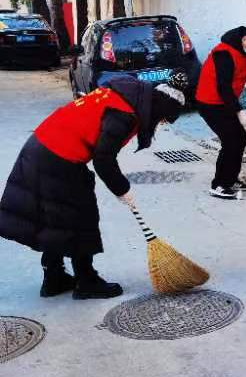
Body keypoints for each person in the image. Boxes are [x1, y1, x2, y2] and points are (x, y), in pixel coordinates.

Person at [0, 74, 187, 300]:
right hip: (58, 155)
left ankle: (54, 278)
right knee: (82, 216)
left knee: (56, 217)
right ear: (158, 109)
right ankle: (86, 281)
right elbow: (103, 159)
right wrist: (122, 189)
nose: (161, 124)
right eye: (164, 119)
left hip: (42, 145)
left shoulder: (124, 95)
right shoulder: (124, 114)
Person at [195, 25, 246, 200]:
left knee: (239, 138)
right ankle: (219, 185)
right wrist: (239, 111)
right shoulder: (224, 53)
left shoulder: (245, 52)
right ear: (245, 40)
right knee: (231, 140)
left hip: (224, 103)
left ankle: (231, 179)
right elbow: (223, 87)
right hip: (210, 103)